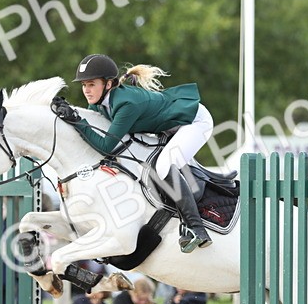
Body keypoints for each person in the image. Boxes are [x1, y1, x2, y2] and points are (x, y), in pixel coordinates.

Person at [52, 54, 215, 253]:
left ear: (109, 84)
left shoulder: (126, 104)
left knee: (163, 166)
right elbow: (93, 128)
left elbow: (105, 145)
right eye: (84, 85)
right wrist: (70, 114)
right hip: (169, 125)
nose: (86, 90)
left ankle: (197, 229)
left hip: (194, 122)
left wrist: (76, 120)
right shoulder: (98, 102)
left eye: (91, 84)